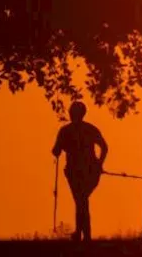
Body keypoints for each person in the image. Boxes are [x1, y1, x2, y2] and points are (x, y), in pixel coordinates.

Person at [51, 101, 108, 241]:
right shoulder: (89, 129)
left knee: (80, 200)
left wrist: (99, 164)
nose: (71, 114)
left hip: (80, 171)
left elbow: (55, 150)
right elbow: (104, 147)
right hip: (87, 171)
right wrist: (99, 164)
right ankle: (82, 234)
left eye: (72, 111)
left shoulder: (65, 131)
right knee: (81, 200)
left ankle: (83, 235)